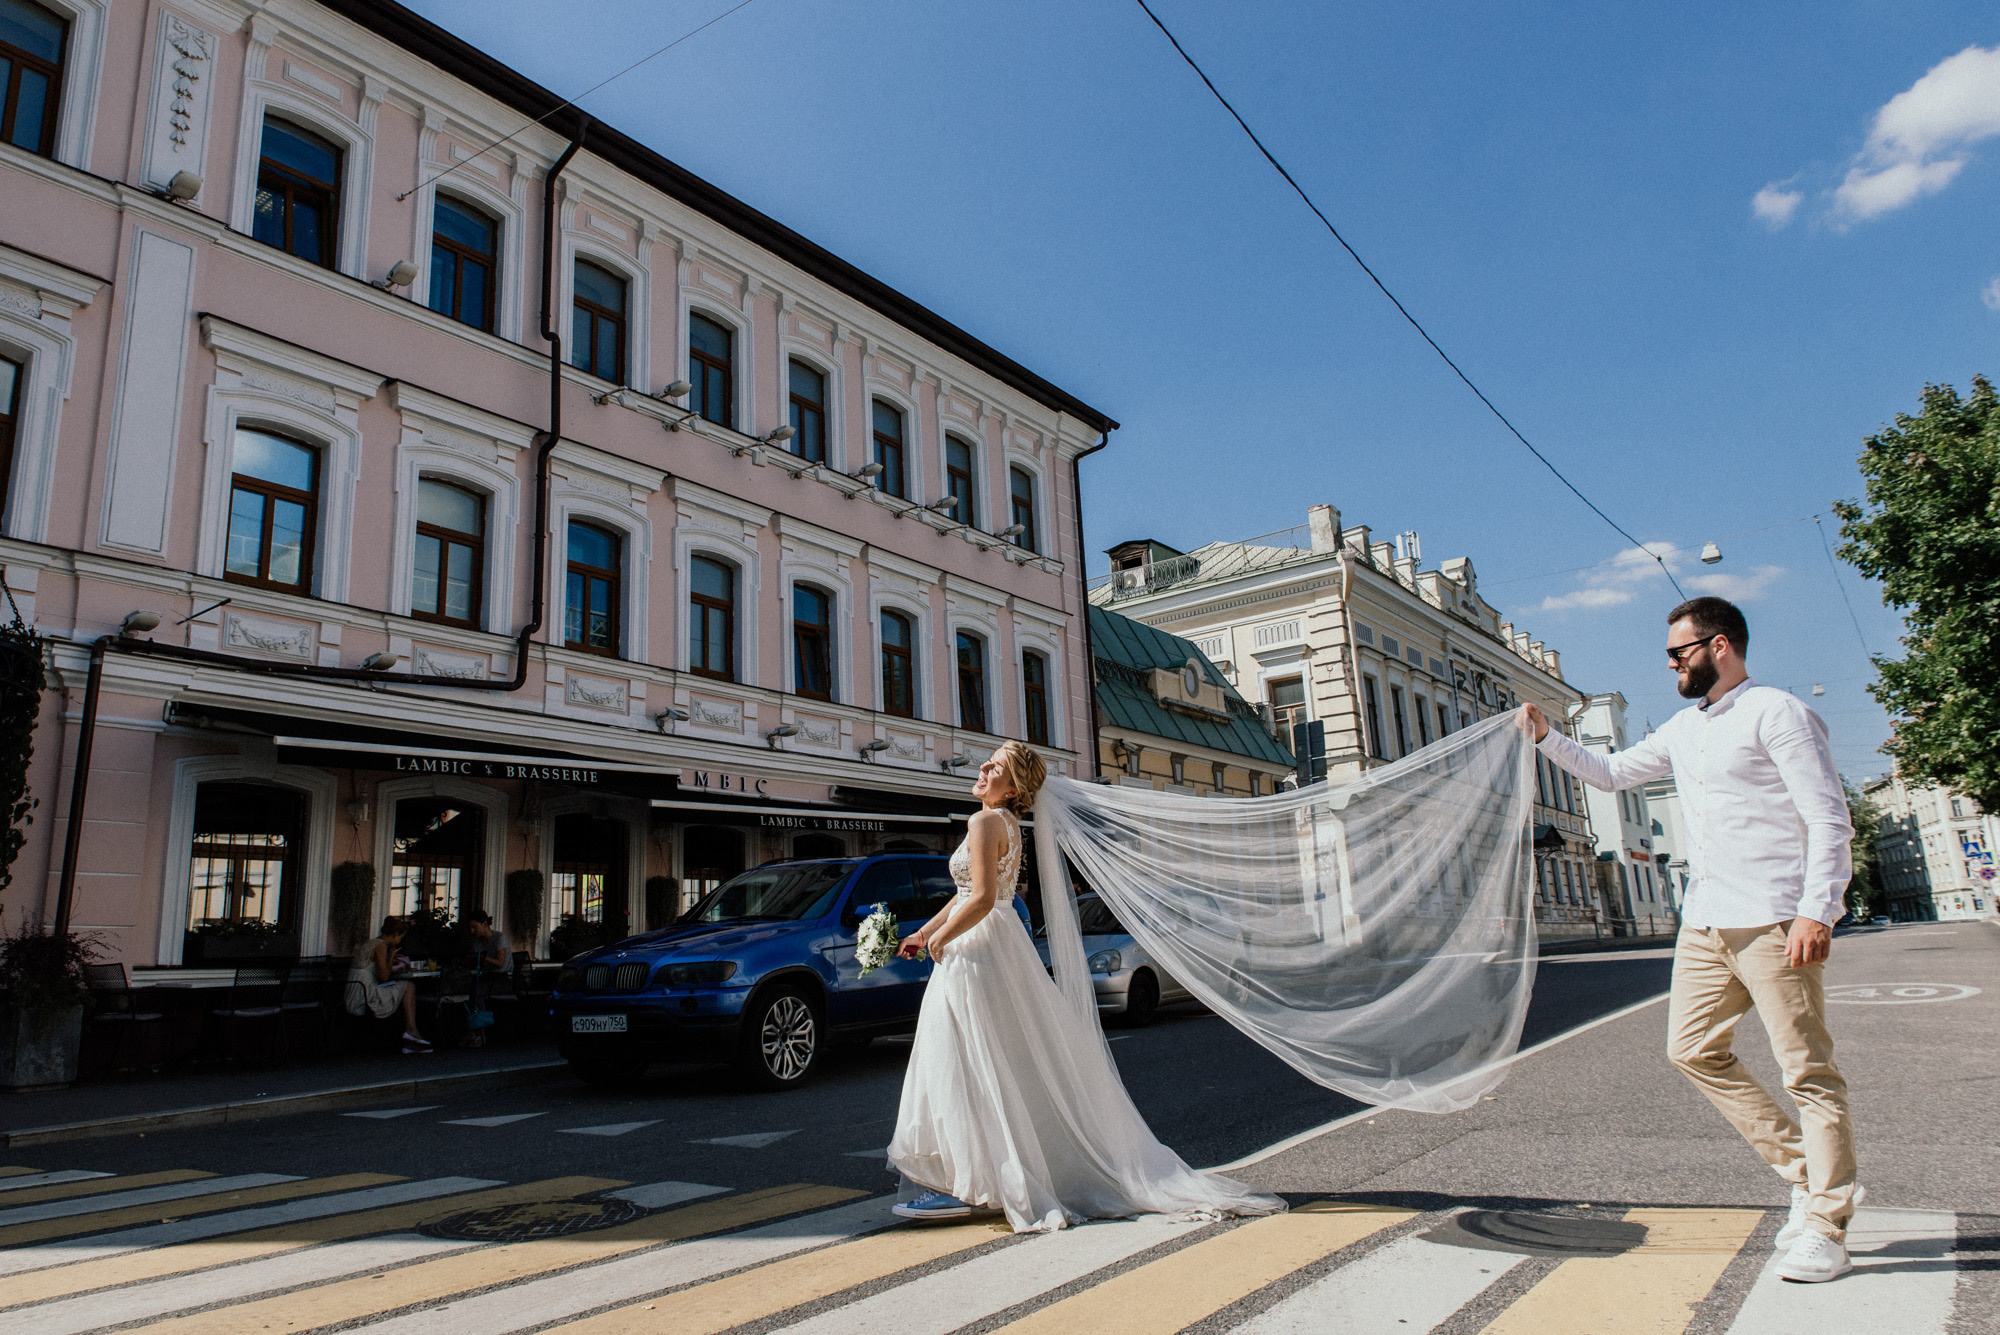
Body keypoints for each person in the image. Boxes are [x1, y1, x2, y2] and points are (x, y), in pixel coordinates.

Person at [1522, 595, 1859, 1283]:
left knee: (1808, 1072)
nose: (1672, 663)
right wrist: (1543, 737)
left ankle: (1827, 1221)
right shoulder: (1684, 727)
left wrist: (1817, 910)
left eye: (1681, 652)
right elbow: (1613, 774)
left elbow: (1828, 818)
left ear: (1722, 646)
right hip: (1705, 922)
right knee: (1692, 1050)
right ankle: (1808, 1173)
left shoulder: (1779, 713)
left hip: (1773, 920)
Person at [885, 740, 1281, 1231]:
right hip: (995, 945)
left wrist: (939, 939)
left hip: (981, 948)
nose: (984, 768)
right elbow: (967, 894)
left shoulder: (985, 821)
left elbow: (983, 897)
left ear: (1013, 790)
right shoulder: (1005, 824)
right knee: (992, 1057)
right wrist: (924, 932)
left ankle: (973, 1183)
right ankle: (981, 1176)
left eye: (998, 767)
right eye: (989, 761)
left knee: (968, 1057)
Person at [346, 915, 432, 1054]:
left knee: (404, 986)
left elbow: (374, 966)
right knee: (409, 986)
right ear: (395, 934)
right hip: (364, 993)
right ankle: (411, 1030)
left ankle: (411, 1033)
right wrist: (391, 955)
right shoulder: (381, 945)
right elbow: (384, 977)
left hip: (355, 989)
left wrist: (390, 961)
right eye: (399, 937)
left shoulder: (371, 942)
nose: (399, 941)